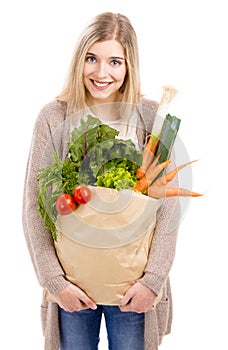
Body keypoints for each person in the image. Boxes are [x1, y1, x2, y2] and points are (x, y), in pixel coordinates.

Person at [22, 12, 180, 350]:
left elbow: (167, 209)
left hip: (133, 289)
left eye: (114, 62)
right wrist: (54, 281)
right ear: (79, 59)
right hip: (72, 289)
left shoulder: (152, 117)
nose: (101, 72)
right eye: (91, 58)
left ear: (129, 66)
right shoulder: (54, 117)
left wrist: (152, 282)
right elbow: (35, 208)